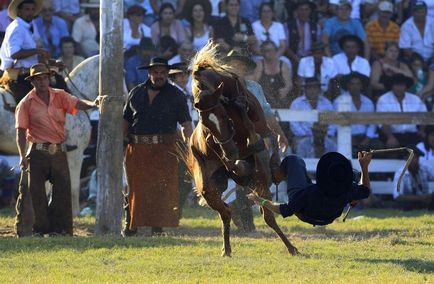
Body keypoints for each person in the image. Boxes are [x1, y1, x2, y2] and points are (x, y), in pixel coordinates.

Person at [14, 63, 98, 237]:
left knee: (62, 190)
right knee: (36, 192)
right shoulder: (25, 103)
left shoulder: (60, 95)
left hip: (58, 150)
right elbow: (21, 132)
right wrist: (23, 156)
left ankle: (60, 229)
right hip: (37, 151)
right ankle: (39, 229)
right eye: (38, 79)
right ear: (33, 82)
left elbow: (77, 103)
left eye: (44, 78)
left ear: (48, 78)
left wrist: (93, 103)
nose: (42, 82)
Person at [123, 57, 193, 236]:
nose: (159, 76)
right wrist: (121, 143)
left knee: (161, 188)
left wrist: (190, 143)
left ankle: (158, 227)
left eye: (163, 72)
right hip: (137, 147)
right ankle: (131, 225)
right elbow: (126, 121)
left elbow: (186, 123)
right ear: (149, 73)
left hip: (165, 148)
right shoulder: (136, 92)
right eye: (156, 72)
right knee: (134, 187)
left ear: (168, 73)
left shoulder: (177, 95)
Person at [223, 49, 289, 232]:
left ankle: (241, 212)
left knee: (264, 177)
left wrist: (280, 134)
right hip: (231, 141)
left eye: (241, 66)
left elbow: (267, 113)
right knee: (242, 178)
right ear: (227, 67)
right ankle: (245, 220)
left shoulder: (254, 88)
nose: (237, 69)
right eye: (234, 65)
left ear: (245, 69)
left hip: (255, 139)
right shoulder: (221, 87)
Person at [247, 151, 372, 226]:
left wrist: (261, 200)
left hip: (307, 213)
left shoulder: (308, 194)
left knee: (294, 160)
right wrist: (364, 166)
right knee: (355, 174)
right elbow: (365, 190)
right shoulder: (349, 189)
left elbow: (284, 210)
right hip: (328, 216)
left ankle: (275, 176)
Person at [0, 0, 50, 103]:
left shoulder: (29, 25)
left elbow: (37, 46)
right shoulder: (17, 27)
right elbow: (14, 54)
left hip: (30, 74)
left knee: (58, 83)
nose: (30, 12)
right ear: (19, 11)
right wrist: (37, 51)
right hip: (19, 77)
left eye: (32, 9)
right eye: (27, 9)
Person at [333, 72, 381, 157]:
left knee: (379, 146)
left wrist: (367, 139)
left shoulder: (368, 102)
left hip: (365, 137)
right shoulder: (339, 101)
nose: (355, 87)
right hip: (346, 136)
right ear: (347, 86)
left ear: (362, 86)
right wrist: (348, 138)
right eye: (352, 84)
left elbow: (372, 124)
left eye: (358, 84)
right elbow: (335, 123)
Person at [289, 77, 336, 158]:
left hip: (325, 136)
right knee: (300, 145)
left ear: (319, 89)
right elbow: (294, 125)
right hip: (302, 136)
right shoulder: (296, 103)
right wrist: (309, 135)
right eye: (309, 88)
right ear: (305, 89)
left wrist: (326, 134)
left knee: (333, 144)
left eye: (315, 88)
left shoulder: (327, 103)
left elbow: (333, 123)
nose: (312, 90)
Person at [376, 73, 427, 147]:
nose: (399, 88)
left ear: (405, 86)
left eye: (401, 85)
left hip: (412, 135)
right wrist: (390, 137)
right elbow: (382, 121)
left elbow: (424, 115)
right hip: (392, 135)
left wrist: (421, 131)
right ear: (392, 86)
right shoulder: (383, 99)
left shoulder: (415, 99)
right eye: (396, 85)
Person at [251, 40, 293, 108]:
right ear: (262, 52)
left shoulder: (283, 65)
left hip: (280, 98)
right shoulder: (259, 65)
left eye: (271, 50)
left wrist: (286, 89)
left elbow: (289, 84)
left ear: (276, 51)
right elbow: (254, 83)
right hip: (263, 99)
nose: (269, 52)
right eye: (266, 50)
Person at [393, 146, 434, 210]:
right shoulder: (400, 173)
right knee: (405, 205)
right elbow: (397, 196)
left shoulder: (424, 168)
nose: (415, 161)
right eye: (412, 158)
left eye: (417, 158)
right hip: (410, 202)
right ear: (405, 159)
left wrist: (431, 195)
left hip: (427, 200)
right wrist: (422, 198)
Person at [286, 0, 321, 65]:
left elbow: (318, 45)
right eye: (301, 9)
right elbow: (285, 46)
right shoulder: (288, 26)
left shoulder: (316, 26)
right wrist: (295, 58)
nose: (303, 12)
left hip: (311, 58)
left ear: (310, 11)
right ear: (297, 11)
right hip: (293, 58)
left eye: (306, 9)